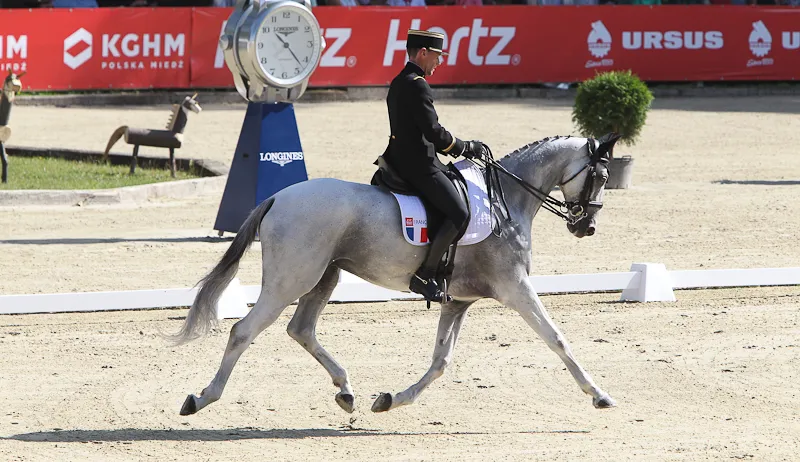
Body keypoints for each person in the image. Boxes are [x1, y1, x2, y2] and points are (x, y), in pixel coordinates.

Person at [382, 29, 487, 302]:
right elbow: (434, 133)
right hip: (419, 165)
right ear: (423, 53)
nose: (439, 63)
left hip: (399, 158)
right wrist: (465, 147)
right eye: (437, 56)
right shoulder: (417, 83)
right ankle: (425, 275)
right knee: (460, 214)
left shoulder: (398, 80)